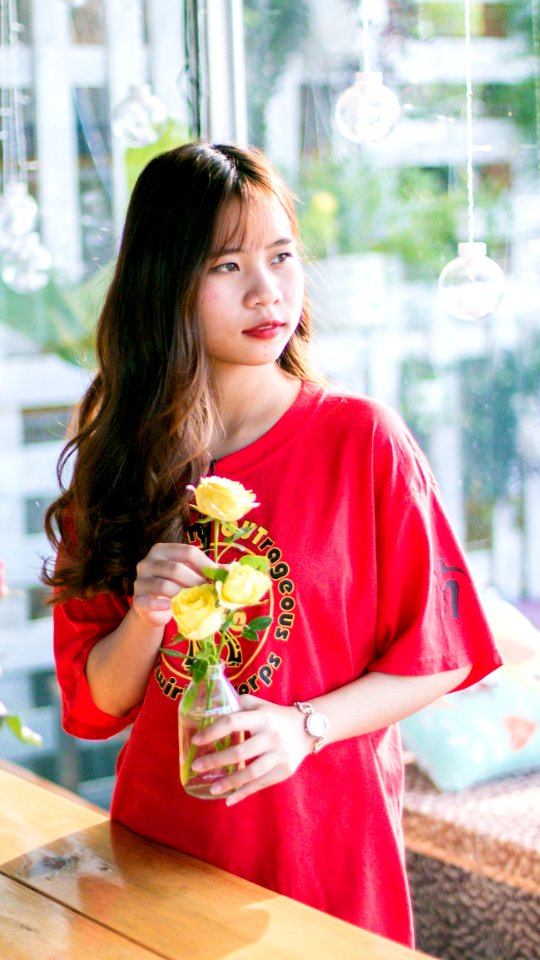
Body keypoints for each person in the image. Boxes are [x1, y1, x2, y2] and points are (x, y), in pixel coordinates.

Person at [43, 142, 502, 948]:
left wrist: (303, 728)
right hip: (159, 863)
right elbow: (97, 705)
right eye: (227, 266)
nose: (268, 291)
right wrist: (148, 614)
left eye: (282, 257)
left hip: (325, 866)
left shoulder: (362, 441)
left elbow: (443, 655)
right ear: (166, 283)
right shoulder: (119, 467)